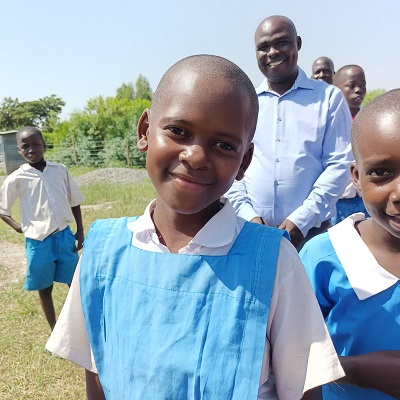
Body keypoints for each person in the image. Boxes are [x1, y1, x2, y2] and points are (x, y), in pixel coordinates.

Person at [46, 55, 344, 399]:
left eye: (223, 145)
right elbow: (98, 371)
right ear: (144, 132)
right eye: (179, 131)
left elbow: (304, 390)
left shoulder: (275, 261)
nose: (196, 156)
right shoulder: (102, 250)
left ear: (244, 161)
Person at [300, 89, 400, 399]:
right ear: (356, 177)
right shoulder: (324, 258)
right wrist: (355, 370)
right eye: (381, 173)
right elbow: (286, 355)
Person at [225, 15, 353, 249]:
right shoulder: (246, 102)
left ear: (298, 44)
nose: (272, 52)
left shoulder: (328, 98)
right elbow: (232, 164)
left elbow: (339, 164)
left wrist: (301, 220)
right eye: (263, 47)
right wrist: (247, 215)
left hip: (310, 237)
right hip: (249, 232)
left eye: (281, 42)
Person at [0, 126, 84, 330]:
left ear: (44, 145)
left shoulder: (60, 170)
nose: (31, 150)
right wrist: (18, 227)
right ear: (19, 151)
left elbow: (74, 201)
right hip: (38, 242)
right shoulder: (16, 178)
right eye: (25, 146)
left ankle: (81, 325)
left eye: (35, 144)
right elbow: (3, 209)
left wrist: (80, 231)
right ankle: (54, 330)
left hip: (64, 237)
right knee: (45, 289)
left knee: (75, 284)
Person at [330, 64, 369, 224]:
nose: (358, 90)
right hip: (336, 202)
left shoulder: (370, 121)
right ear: (336, 89)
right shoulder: (330, 124)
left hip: (365, 201)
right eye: (351, 86)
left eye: (362, 85)